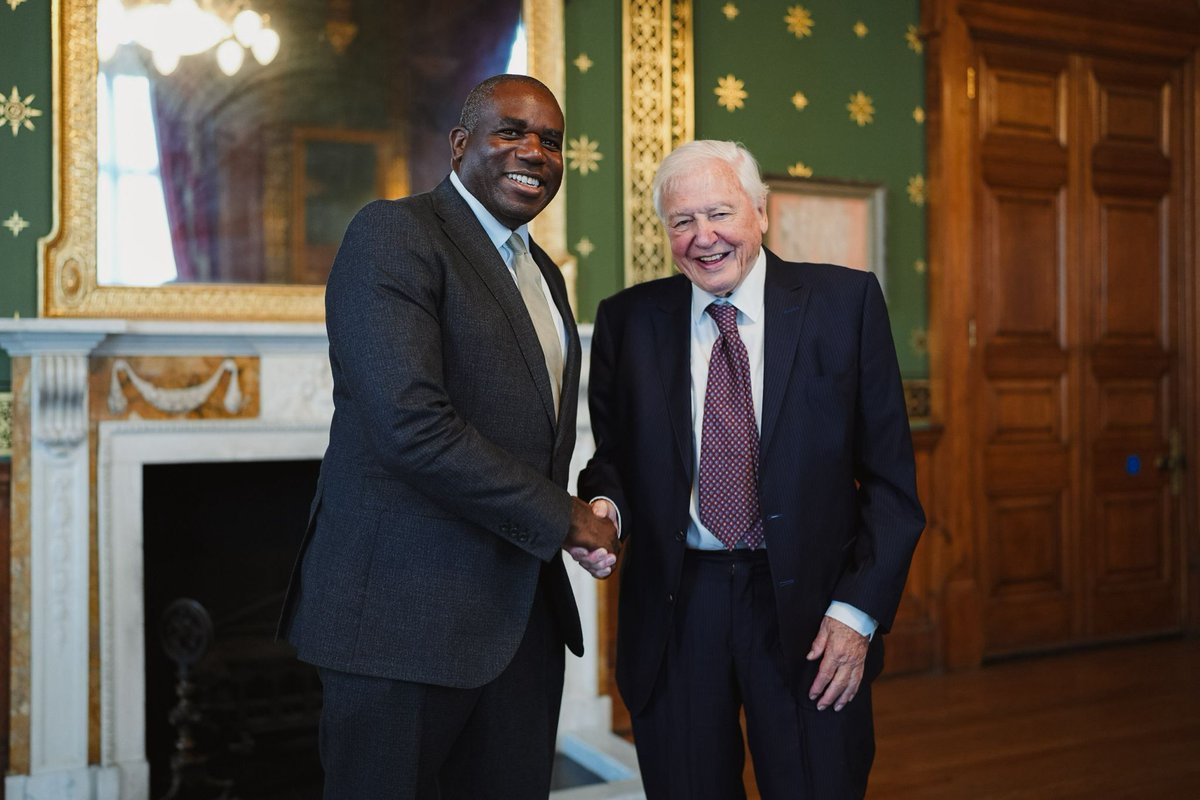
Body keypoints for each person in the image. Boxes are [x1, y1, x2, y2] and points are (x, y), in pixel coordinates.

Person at [278, 74, 619, 800]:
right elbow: (411, 424)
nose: (534, 150)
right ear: (461, 144)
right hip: (401, 624)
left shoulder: (545, 275)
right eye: (511, 132)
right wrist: (565, 515)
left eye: (551, 141)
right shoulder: (393, 233)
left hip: (519, 623)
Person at [575, 140, 925, 798]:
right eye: (682, 221)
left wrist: (856, 615)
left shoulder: (843, 305)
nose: (703, 237)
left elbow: (891, 489)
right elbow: (614, 460)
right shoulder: (628, 321)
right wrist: (606, 511)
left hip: (813, 611)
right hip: (677, 607)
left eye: (719, 213)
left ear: (760, 213)